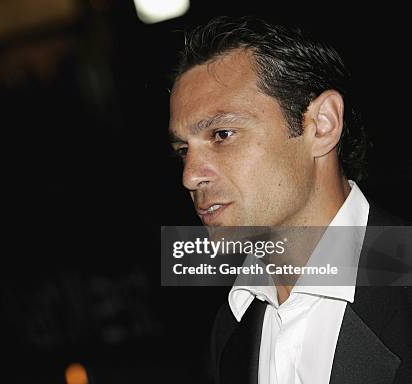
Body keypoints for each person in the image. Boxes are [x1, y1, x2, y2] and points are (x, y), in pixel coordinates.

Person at [168, 16, 411, 383]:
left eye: (222, 134)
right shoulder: (231, 329)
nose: (190, 175)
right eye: (183, 149)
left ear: (322, 125)